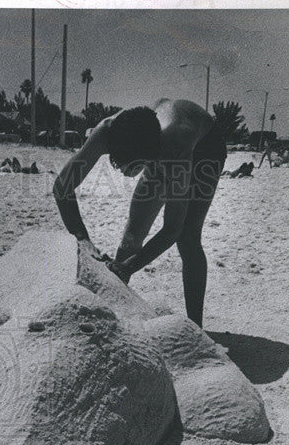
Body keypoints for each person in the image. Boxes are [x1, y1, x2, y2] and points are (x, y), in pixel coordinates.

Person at [53, 99, 226, 327]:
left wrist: (130, 266)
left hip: (206, 147)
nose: (125, 173)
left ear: (151, 158)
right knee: (133, 234)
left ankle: (196, 328)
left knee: (188, 237)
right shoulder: (105, 131)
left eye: (132, 168)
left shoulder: (175, 150)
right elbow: (62, 187)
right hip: (155, 141)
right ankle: (112, 313)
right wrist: (83, 239)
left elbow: (173, 229)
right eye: (120, 165)